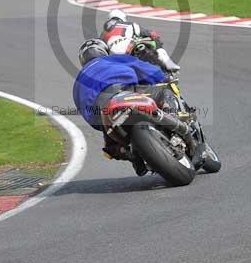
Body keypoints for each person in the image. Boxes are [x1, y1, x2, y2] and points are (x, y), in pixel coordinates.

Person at [72, 38, 171, 175]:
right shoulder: (111, 59)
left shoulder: (77, 82)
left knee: (111, 148)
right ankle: (169, 113)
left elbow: (87, 116)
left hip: (101, 114)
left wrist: (100, 124)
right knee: (164, 91)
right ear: (103, 51)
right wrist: (161, 77)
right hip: (124, 90)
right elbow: (145, 69)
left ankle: (130, 155)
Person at [100, 9, 180, 72]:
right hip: (129, 49)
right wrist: (155, 38)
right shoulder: (130, 24)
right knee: (154, 41)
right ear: (123, 18)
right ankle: (168, 64)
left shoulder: (103, 34)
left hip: (112, 58)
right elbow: (151, 34)